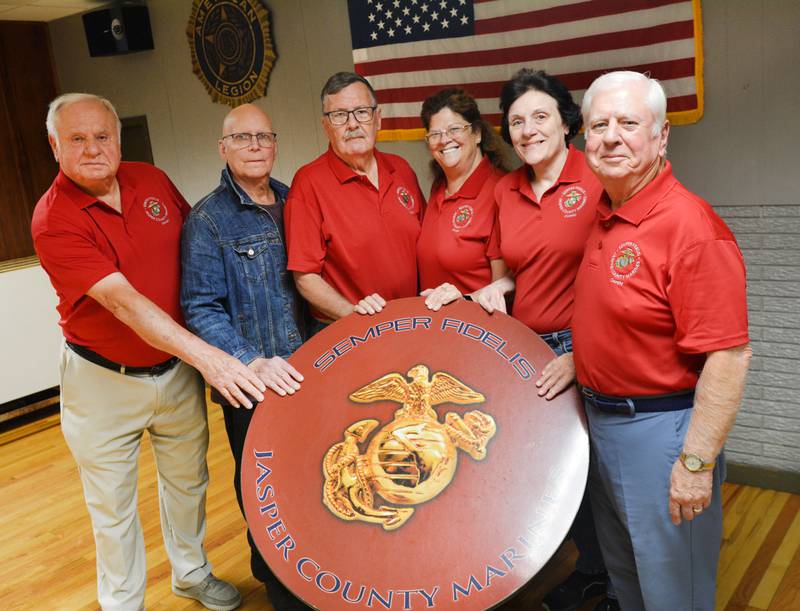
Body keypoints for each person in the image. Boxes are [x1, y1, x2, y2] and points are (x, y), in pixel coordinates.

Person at [31, 93, 266, 611]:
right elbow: (127, 305)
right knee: (112, 508)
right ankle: (122, 604)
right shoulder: (53, 219)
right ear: (54, 146)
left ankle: (191, 573)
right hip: (102, 382)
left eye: (102, 136)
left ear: (118, 138)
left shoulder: (151, 180)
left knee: (188, 482)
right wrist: (213, 358)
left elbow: (199, 252)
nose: (93, 149)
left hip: (175, 371)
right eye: (77, 139)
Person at [432, 70, 615, 611]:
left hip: (585, 347)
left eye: (540, 116)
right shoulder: (507, 190)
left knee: (600, 475)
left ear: (565, 121)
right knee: (545, 472)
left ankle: (616, 587)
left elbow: (613, 280)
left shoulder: (598, 176)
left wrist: (581, 355)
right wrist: (488, 291)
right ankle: (583, 571)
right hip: (524, 346)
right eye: (516, 121)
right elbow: (515, 272)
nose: (528, 129)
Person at [574, 71, 751, 610]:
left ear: (662, 134)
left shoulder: (690, 227)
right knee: (627, 580)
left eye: (628, 123)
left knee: (675, 593)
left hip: (661, 433)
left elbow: (729, 355)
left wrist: (695, 465)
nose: (610, 136)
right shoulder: (606, 213)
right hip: (602, 425)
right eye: (598, 124)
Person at [181, 104, 309, 610]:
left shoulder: (293, 200)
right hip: (254, 383)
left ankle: (315, 568)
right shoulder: (207, 220)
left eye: (264, 137)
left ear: (275, 144)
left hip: (308, 373)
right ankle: (279, 582)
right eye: (243, 138)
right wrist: (249, 360)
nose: (255, 146)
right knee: (265, 489)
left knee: (313, 475)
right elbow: (200, 307)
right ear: (223, 148)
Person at [285, 71, 425, 323]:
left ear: (378, 119)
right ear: (325, 126)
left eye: (362, 111)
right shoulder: (308, 183)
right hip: (350, 329)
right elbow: (305, 277)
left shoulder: (401, 169)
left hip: (411, 321)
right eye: (339, 115)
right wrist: (354, 315)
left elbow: (427, 246)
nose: (352, 124)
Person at [415, 88, 510, 311]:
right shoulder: (438, 187)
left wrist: (464, 301)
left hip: (476, 332)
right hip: (438, 332)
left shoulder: (501, 191)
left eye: (454, 129)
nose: (444, 140)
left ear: (477, 133)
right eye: (435, 134)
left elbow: (501, 292)